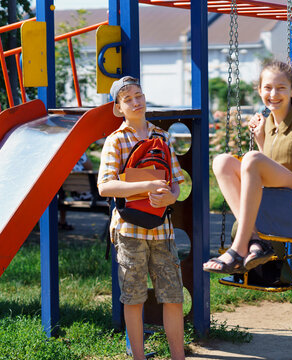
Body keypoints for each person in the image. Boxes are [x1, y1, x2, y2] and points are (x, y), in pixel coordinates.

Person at [203, 60, 292, 274]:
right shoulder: (267, 123)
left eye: (281, 88)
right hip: (275, 195)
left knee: (252, 158)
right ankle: (258, 240)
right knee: (221, 162)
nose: (273, 94)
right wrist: (261, 139)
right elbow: (267, 168)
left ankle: (238, 249)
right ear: (259, 91)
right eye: (267, 88)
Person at [97, 76, 185, 360]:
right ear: (119, 107)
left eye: (139, 95)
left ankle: (178, 356)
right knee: (133, 298)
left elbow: (177, 184)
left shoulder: (163, 137)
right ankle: (138, 356)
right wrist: (146, 186)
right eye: (128, 99)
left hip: (162, 229)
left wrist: (170, 197)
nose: (136, 102)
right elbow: (105, 186)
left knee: (173, 296)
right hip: (129, 230)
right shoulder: (116, 140)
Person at [57, 152, 94, 230]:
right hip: (91, 197)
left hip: (70, 197)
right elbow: (90, 167)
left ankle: (62, 221)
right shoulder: (79, 153)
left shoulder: (59, 158)